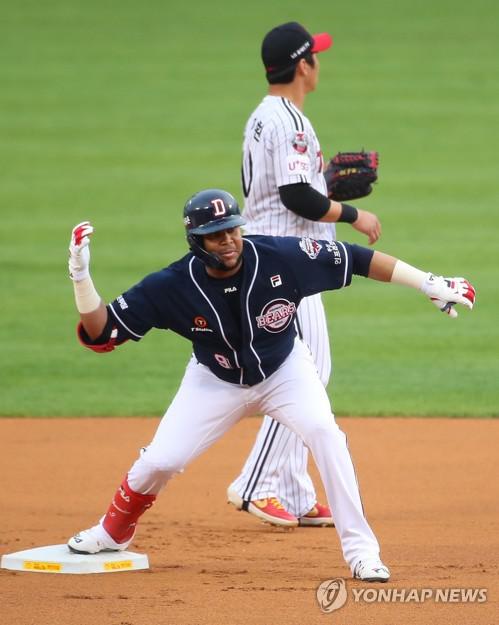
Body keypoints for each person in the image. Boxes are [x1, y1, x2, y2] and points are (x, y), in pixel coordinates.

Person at [66, 188, 475, 583]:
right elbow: (103, 334)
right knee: (161, 461)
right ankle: (114, 531)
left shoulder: (281, 256)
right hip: (215, 379)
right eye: (215, 235)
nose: (227, 241)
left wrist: (427, 282)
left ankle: (362, 553)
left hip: (285, 370)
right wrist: (82, 278)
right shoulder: (171, 285)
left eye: (232, 229)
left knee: (325, 434)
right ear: (196, 240)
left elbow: (356, 259)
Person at [228, 21, 382, 527]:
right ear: (302, 66)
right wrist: (352, 214)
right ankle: (256, 484)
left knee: (308, 371)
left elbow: (288, 187)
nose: (319, 61)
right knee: (307, 377)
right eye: (315, 55)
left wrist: (324, 185)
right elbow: (296, 197)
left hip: (273, 251)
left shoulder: (264, 115)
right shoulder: (290, 122)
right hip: (286, 260)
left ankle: (292, 492)